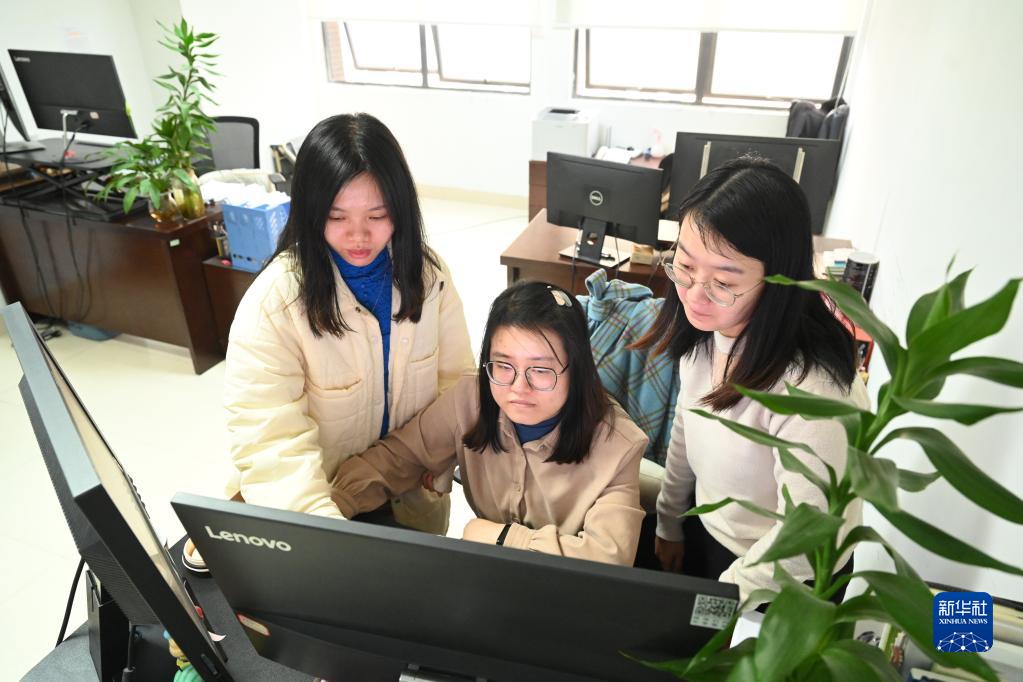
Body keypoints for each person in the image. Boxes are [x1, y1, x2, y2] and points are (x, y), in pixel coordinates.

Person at [222, 113, 474, 533]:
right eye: (337, 217)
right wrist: (327, 534)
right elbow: (270, 443)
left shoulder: (430, 278)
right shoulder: (275, 303)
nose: (359, 236)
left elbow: (457, 386)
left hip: (411, 496)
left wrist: (441, 459)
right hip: (318, 505)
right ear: (310, 212)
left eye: (377, 216)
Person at [633, 157, 869, 603]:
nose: (694, 294)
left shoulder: (813, 391)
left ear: (778, 280)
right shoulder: (708, 334)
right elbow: (687, 427)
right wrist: (670, 521)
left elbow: (806, 538)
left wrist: (721, 600)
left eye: (723, 282)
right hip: (713, 533)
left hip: (788, 576)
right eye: (685, 266)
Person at [331, 280, 648, 566]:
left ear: (576, 371)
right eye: (503, 365)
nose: (518, 388)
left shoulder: (619, 445)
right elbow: (397, 458)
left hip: (563, 594)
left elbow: (609, 561)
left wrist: (499, 537)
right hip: (489, 577)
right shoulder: (470, 398)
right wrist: (328, 511)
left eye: (540, 370)